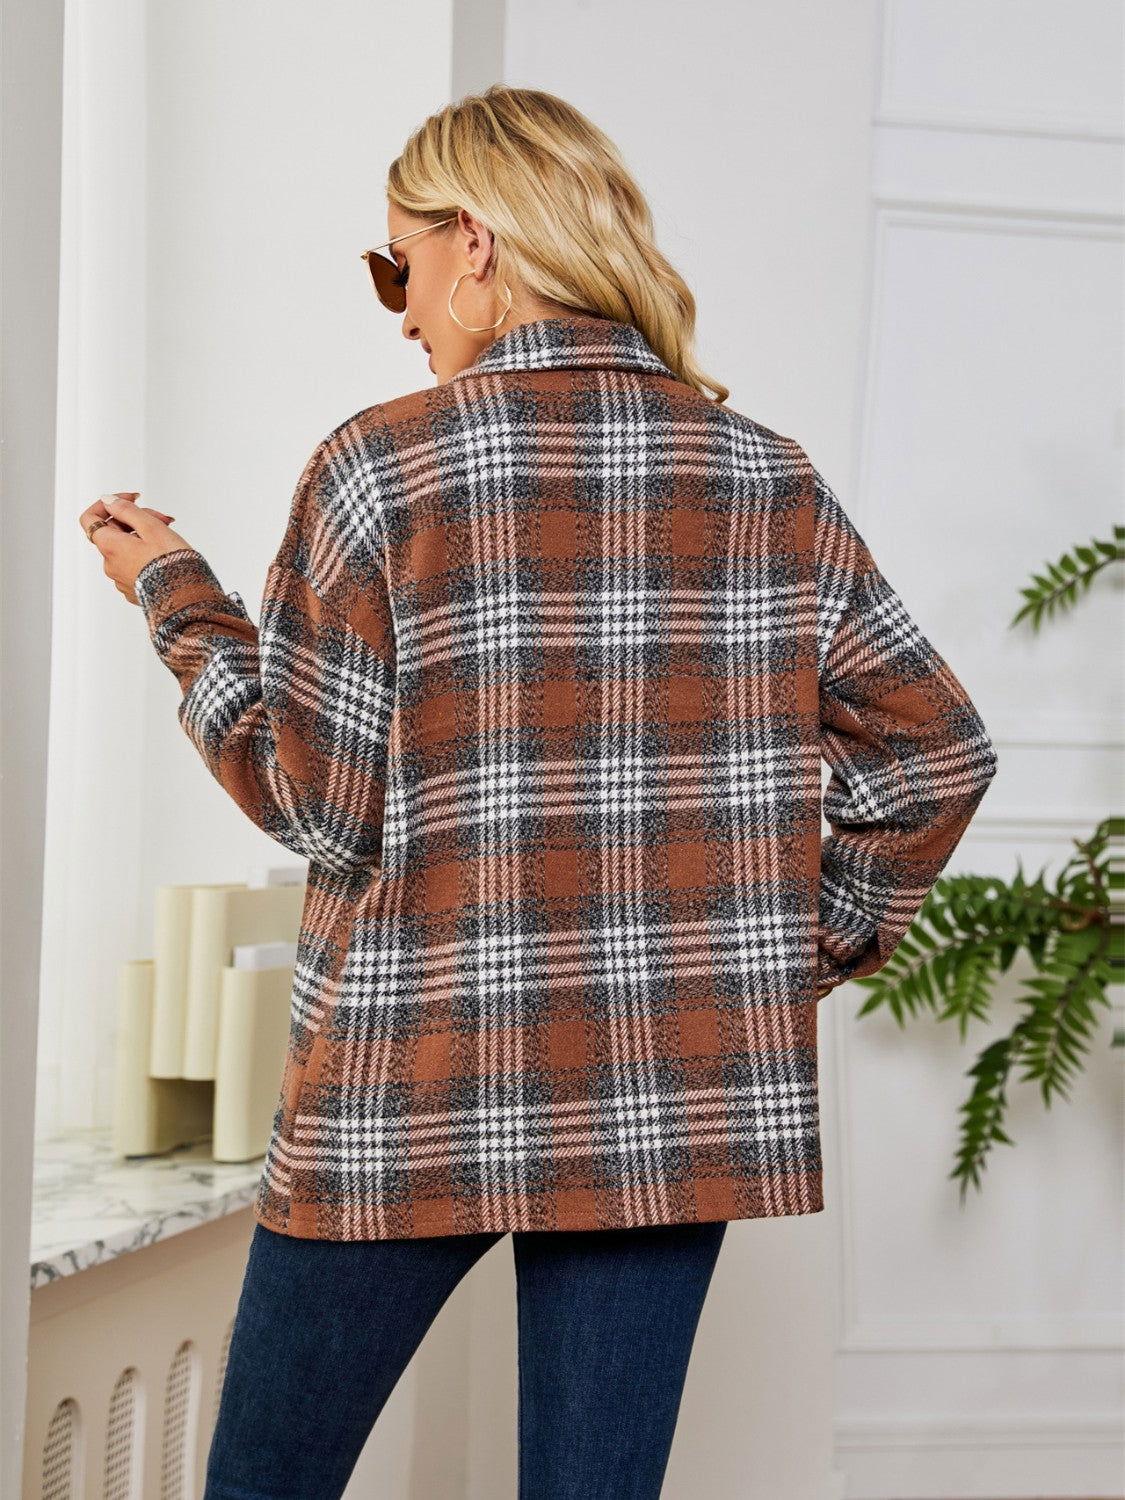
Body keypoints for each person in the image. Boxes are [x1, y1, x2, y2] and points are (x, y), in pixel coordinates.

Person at [79, 85, 998, 1500]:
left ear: (478, 243)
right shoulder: (767, 478)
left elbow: (316, 807)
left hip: (406, 1080)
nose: (399, 309)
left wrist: (178, 603)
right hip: (671, 1086)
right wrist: (778, 956)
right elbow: (934, 749)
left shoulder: (380, 467)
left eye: (395, 262)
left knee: (265, 1485)